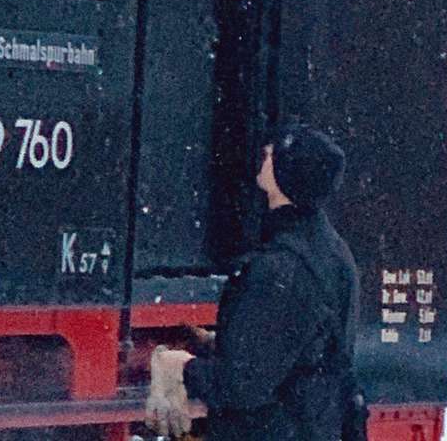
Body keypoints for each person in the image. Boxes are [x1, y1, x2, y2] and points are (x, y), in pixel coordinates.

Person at [145, 123, 364, 441]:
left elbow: (243, 384)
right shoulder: (332, 252)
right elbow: (301, 350)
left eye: (276, 153)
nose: (266, 152)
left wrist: (179, 366)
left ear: (287, 175)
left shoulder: (282, 267)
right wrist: (221, 343)